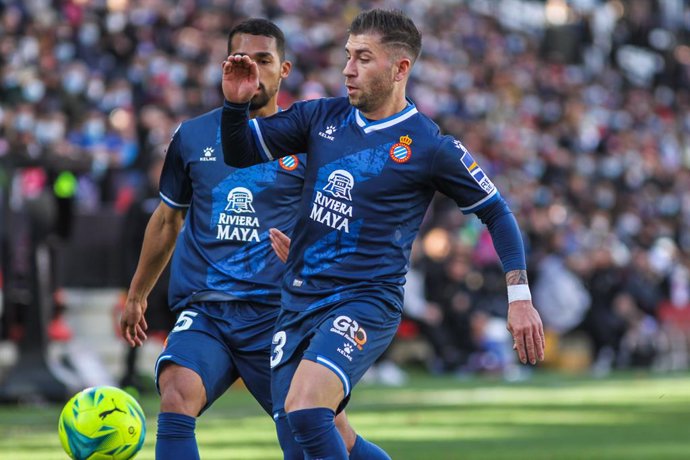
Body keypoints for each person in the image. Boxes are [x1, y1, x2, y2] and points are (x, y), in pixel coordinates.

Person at [220, 9, 545, 458]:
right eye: (348, 56)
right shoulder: (319, 118)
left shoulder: (430, 147)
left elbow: (498, 214)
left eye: (363, 58)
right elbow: (239, 152)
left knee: (307, 409)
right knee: (314, 438)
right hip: (298, 300)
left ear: (399, 68)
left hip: (365, 299)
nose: (348, 69)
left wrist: (520, 297)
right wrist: (237, 104)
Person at [120, 18, 387, 460]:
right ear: (226, 66)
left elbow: (345, 223)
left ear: (284, 69)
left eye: (265, 60)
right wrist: (137, 294)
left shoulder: (310, 141)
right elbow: (167, 219)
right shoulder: (192, 137)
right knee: (176, 393)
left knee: (328, 435)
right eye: (243, 60)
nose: (254, 70)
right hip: (208, 309)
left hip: (280, 315)